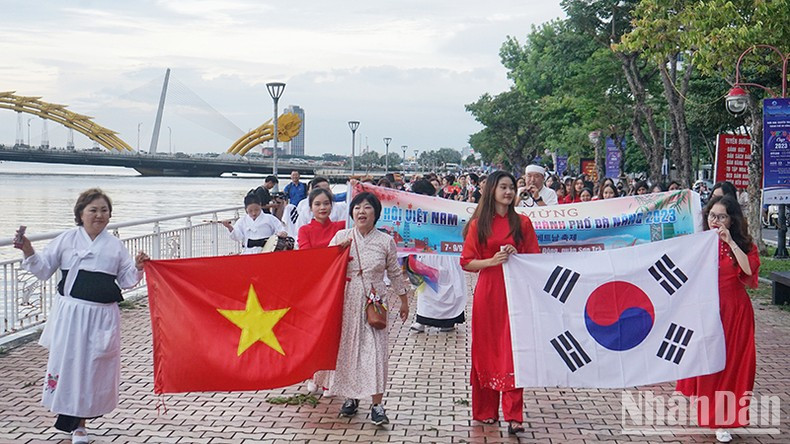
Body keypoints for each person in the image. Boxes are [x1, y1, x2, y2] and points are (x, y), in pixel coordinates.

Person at [13, 188, 149, 444]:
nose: (99, 215)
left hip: (102, 316)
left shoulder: (115, 246)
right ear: (80, 213)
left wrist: (139, 267)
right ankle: (73, 422)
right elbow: (43, 269)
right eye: (93, 210)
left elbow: (127, 279)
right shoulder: (66, 240)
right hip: (72, 314)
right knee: (68, 366)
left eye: (104, 210)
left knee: (93, 369)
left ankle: (81, 425)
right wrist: (28, 249)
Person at [460, 171, 540, 435]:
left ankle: (514, 415)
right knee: (486, 349)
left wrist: (517, 255)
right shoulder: (478, 225)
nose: (508, 192)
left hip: (516, 293)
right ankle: (485, 412)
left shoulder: (523, 223)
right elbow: (467, 262)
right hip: (489, 292)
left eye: (511, 188)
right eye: (503, 187)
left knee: (514, 352)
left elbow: (535, 259)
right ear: (492, 190)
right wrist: (492, 261)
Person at [321, 192, 410, 426]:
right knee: (349, 350)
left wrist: (403, 299)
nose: (362, 211)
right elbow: (323, 267)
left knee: (375, 352)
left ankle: (377, 405)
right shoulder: (341, 236)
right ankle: (351, 397)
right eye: (357, 207)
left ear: (376, 214)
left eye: (367, 207)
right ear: (351, 212)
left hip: (375, 302)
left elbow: (393, 272)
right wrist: (336, 252)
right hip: (347, 301)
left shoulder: (385, 241)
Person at [676, 195, 759, 443]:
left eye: (722, 217)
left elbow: (748, 270)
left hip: (735, 312)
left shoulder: (744, 244)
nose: (716, 221)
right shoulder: (698, 242)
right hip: (706, 310)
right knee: (707, 362)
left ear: (731, 220)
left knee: (734, 364)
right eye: (712, 216)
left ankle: (724, 421)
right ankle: (708, 410)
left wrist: (730, 242)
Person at [298, 187, 347, 395]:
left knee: (334, 333)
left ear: (332, 205)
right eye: (317, 204)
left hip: (336, 286)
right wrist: (335, 250)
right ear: (310, 208)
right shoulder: (305, 231)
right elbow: (307, 257)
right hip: (314, 288)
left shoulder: (342, 227)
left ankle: (330, 380)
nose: (322, 208)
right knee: (313, 332)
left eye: (326, 203)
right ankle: (313, 375)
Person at [222, 194, 287, 254]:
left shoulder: (270, 218)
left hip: (267, 251)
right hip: (248, 252)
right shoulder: (242, 221)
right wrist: (229, 227)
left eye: (256, 210)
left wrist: (281, 233)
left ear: (260, 206)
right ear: (246, 209)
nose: (254, 213)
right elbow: (237, 236)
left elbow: (281, 230)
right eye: (250, 211)